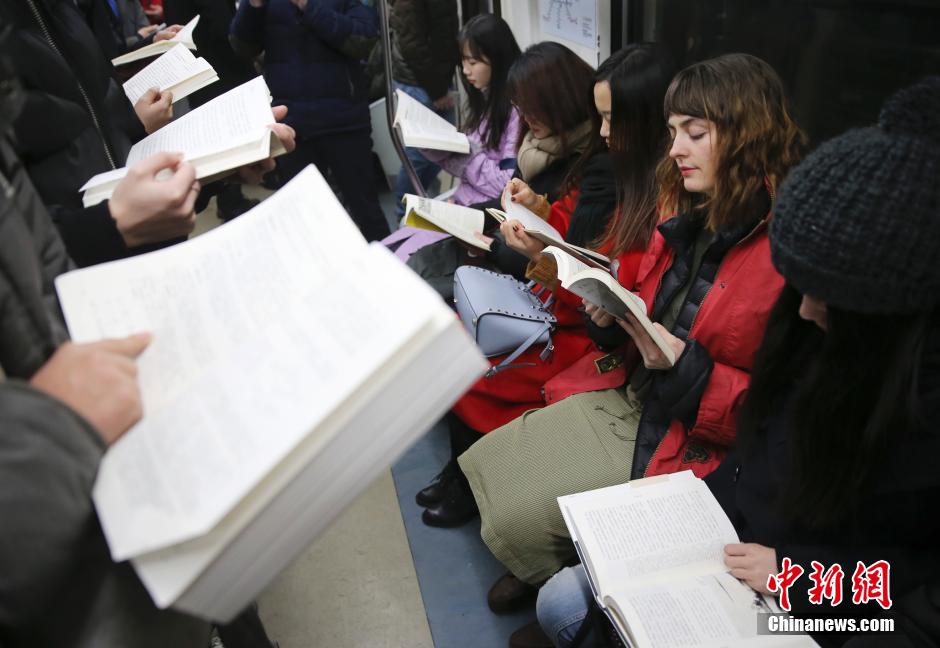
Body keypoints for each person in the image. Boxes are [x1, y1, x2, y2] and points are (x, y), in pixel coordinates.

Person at [536, 76, 940, 648]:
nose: (804, 311)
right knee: (571, 599)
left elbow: (913, 604)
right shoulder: (812, 334)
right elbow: (759, 453)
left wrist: (799, 582)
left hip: (816, 599)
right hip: (744, 538)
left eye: (825, 300)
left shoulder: (916, 413)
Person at [456, 53, 807, 640]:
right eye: (672, 133)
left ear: (747, 135)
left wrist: (686, 368)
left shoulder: (783, 253)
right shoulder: (691, 206)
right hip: (642, 390)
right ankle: (561, 573)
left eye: (695, 133)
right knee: (495, 461)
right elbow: (645, 294)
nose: (675, 149)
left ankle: (573, 584)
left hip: (693, 433)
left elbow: (771, 411)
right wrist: (609, 310)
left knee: (521, 506)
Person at [419, 43, 676, 531]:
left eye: (611, 119)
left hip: (582, 330)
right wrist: (538, 215)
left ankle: (474, 481)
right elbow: (581, 238)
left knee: (466, 362)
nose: (602, 131)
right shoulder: (616, 166)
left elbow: (602, 271)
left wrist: (539, 251)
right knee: (454, 344)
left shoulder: (640, 184)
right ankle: (468, 477)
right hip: (570, 309)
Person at [4, 0, 294, 267]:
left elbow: (102, 128)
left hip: (139, 258)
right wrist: (111, 226)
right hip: (69, 288)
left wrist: (211, 167)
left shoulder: (61, 10)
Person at [231, 0, 391, 242]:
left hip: (344, 121)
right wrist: (252, 7)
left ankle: (389, 274)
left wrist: (308, 6)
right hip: (292, 125)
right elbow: (242, 47)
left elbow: (364, 40)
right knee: (302, 217)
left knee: (366, 210)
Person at [417, 13, 521, 207]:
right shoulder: (485, 97)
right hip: (465, 201)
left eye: (473, 63)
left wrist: (463, 155)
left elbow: (506, 186)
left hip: (486, 214)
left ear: (498, 60)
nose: (465, 70)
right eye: (463, 61)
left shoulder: (516, 111)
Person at [389, 0, 459, 213]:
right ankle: (406, 211)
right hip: (420, 82)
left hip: (435, 77)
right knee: (420, 156)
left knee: (444, 150)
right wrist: (438, 90)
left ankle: (417, 206)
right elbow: (413, 44)